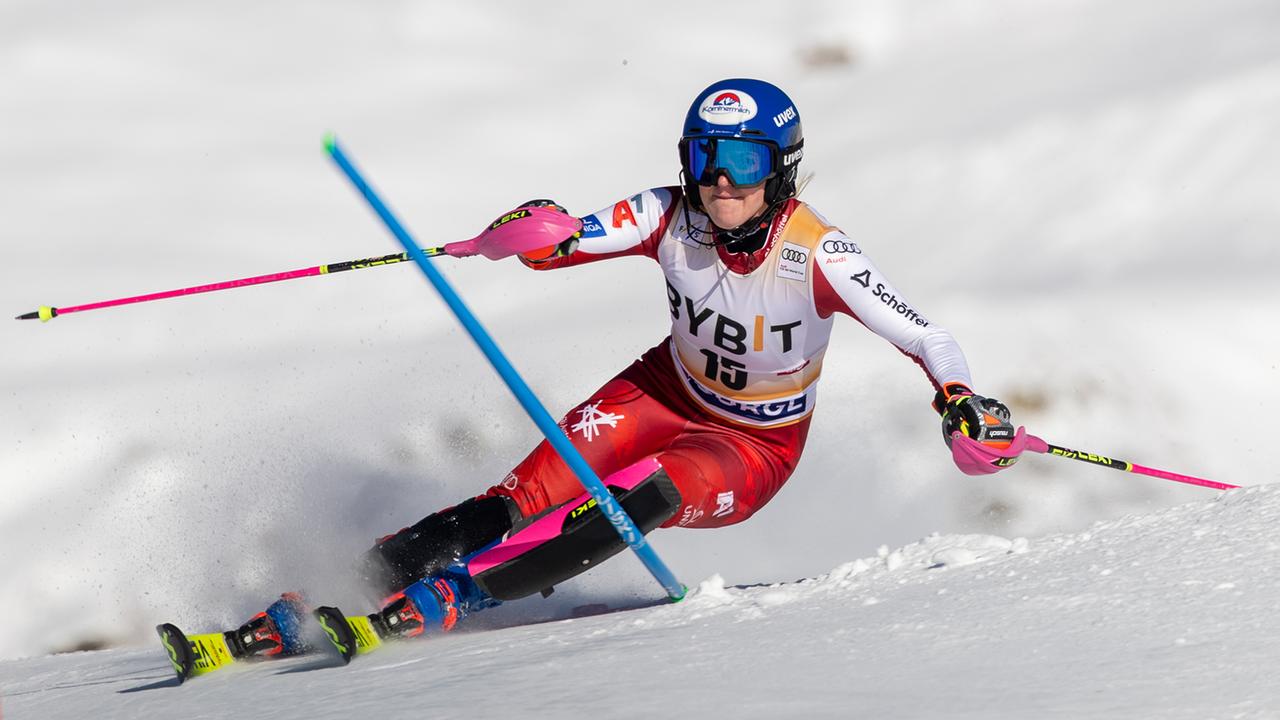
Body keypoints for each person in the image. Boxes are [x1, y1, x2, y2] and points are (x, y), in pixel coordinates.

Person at [237, 78, 1025, 656]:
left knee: (639, 496)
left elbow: (928, 336)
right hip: (659, 391)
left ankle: (458, 594)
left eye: (744, 162)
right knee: (512, 501)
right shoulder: (668, 211)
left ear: (780, 168)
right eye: (707, 156)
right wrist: (527, 233)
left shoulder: (820, 252)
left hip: (749, 447)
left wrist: (959, 398)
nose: (720, 182)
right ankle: (331, 592)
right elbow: (566, 240)